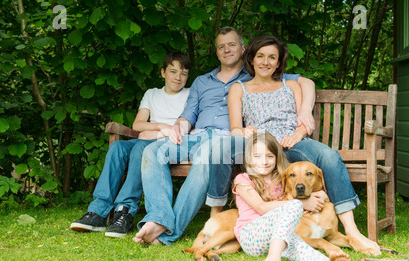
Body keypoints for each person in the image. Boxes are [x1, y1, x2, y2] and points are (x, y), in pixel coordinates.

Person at [133, 27, 316, 245]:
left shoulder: (255, 73)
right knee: (153, 151)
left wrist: (305, 111)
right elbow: (188, 114)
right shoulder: (201, 81)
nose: (226, 50)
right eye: (221, 46)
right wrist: (177, 127)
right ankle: (159, 217)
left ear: (243, 48)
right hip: (197, 134)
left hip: (226, 140)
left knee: (207, 156)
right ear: (217, 52)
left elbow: (305, 82)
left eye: (231, 44)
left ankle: (169, 231)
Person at [216, 34, 380, 254]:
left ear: (279, 62)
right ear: (251, 59)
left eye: (272, 57)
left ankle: (351, 230)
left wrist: (296, 135)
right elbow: (235, 127)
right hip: (265, 149)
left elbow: (304, 123)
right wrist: (244, 131)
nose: (266, 62)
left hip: (292, 142)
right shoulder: (239, 89)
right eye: (261, 56)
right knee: (222, 151)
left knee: (330, 157)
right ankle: (216, 216)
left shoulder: (291, 85)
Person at [70, 52, 191, 238]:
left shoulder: (189, 95)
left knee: (140, 149)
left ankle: (124, 211)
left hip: (168, 144)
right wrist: (161, 127)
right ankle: (98, 212)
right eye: (173, 71)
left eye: (183, 73)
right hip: (148, 137)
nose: (178, 77)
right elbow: (138, 125)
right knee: (117, 148)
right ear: (163, 73)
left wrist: (159, 134)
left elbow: (187, 126)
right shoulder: (152, 94)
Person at [233, 132, 352, 261]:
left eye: (269, 156)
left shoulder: (281, 179)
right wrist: (301, 204)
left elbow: (304, 188)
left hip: (276, 238)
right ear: (249, 159)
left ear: (277, 158)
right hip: (251, 235)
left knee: (298, 246)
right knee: (294, 205)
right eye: (257, 156)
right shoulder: (243, 179)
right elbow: (262, 208)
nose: (264, 161)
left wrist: (323, 195)